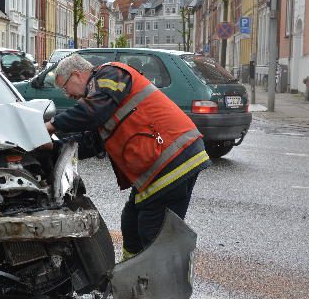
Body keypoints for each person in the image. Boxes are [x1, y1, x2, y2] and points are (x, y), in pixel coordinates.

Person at [45, 54, 211, 260]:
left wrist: (52, 125)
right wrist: (53, 148)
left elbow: (91, 112)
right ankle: (131, 274)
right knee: (131, 222)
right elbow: (94, 140)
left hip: (172, 159)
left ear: (77, 75)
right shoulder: (103, 97)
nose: (68, 96)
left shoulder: (110, 74)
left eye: (65, 87)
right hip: (167, 161)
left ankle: (153, 286)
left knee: (153, 232)